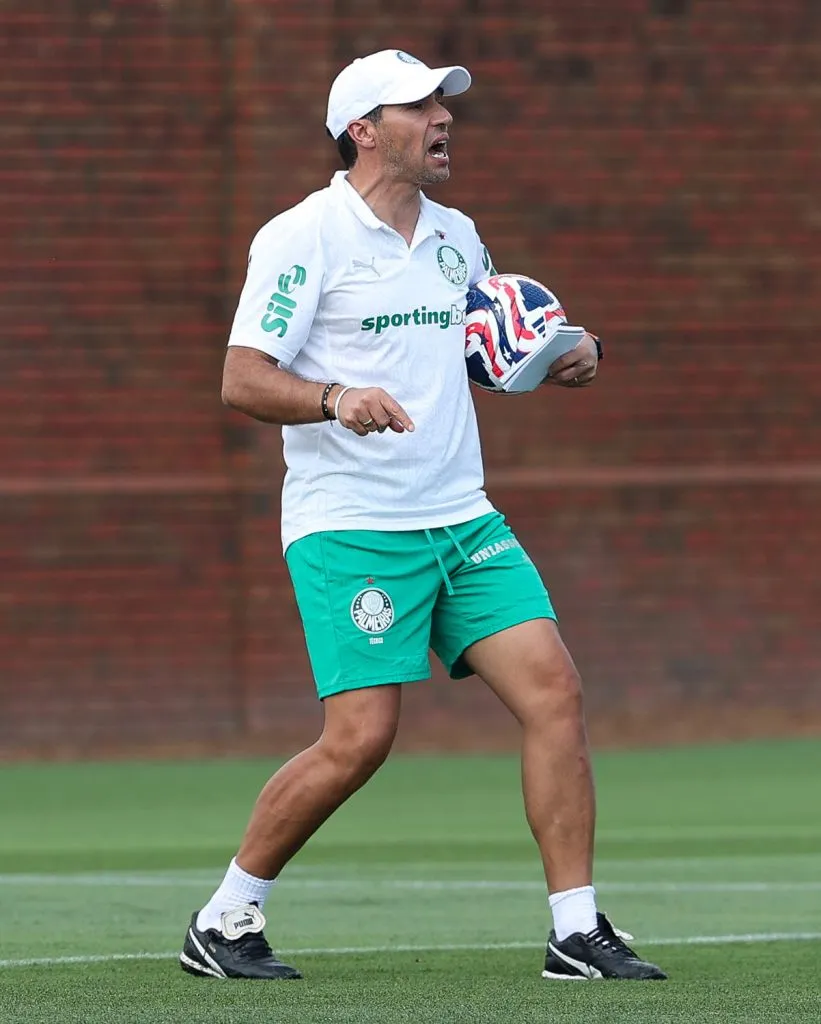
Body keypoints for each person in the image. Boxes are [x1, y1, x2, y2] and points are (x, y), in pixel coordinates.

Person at [179, 48, 666, 983]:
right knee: (360, 738)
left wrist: (566, 354)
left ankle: (576, 929)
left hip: (461, 517)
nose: (443, 118)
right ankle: (227, 914)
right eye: (419, 106)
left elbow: (486, 351)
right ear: (363, 130)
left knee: (554, 692)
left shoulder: (457, 235)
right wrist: (332, 399)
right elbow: (242, 379)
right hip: (350, 522)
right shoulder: (301, 236)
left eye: (446, 103)